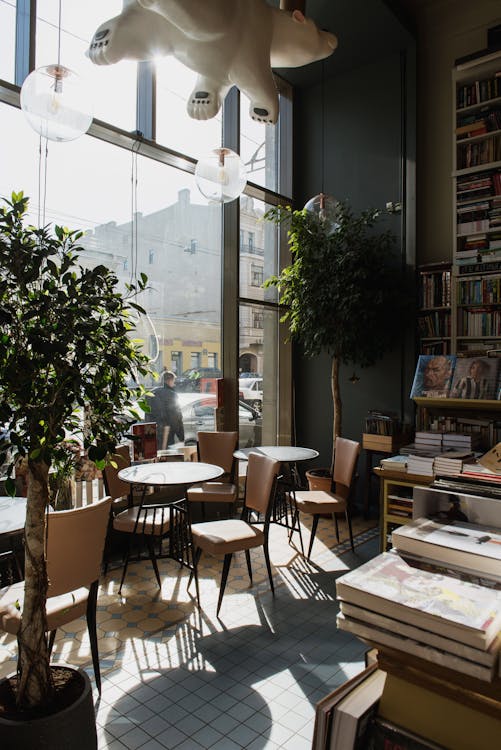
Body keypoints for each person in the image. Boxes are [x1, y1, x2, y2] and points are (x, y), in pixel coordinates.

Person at [148, 370, 185, 449]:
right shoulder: (172, 395)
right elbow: (176, 418)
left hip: (150, 431)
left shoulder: (151, 393)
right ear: (169, 380)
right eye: (173, 381)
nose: (174, 383)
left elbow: (147, 413)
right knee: (165, 457)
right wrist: (181, 437)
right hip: (166, 433)